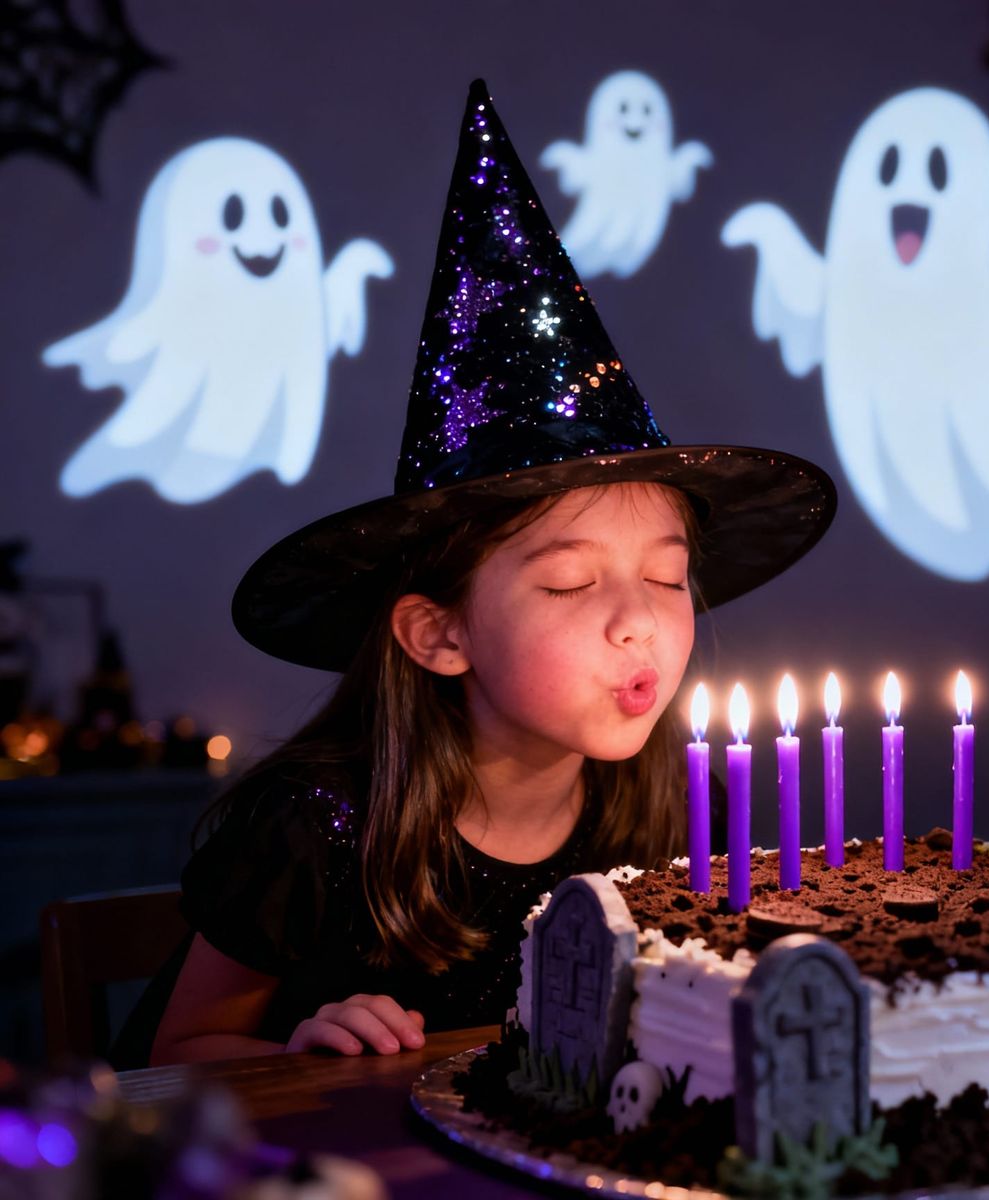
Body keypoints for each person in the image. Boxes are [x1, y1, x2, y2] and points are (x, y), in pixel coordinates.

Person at [111, 80, 835, 1068]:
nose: (641, 625)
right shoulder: (316, 829)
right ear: (438, 634)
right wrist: (299, 1052)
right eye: (573, 583)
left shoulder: (684, 816)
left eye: (667, 578)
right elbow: (172, 1055)